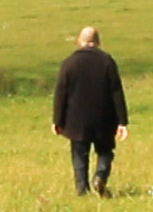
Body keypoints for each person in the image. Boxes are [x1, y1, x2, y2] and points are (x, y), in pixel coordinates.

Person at [52, 26, 129, 197]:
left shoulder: (69, 63)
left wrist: (57, 121)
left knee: (79, 155)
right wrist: (122, 122)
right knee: (105, 152)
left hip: (76, 121)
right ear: (98, 42)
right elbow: (117, 92)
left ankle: (81, 189)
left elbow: (60, 94)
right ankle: (100, 176)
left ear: (79, 42)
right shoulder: (107, 61)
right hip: (103, 120)